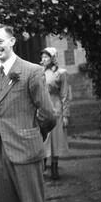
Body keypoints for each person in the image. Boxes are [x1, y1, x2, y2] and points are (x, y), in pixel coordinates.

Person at [0, 24, 56, 202]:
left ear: (12, 41)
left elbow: (48, 115)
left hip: (26, 152)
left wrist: (33, 135)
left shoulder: (32, 71)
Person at [40, 47, 70, 180]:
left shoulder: (61, 73)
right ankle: (42, 166)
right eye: (42, 57)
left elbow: (64, 95)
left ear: (52, 58)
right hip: (42, 109)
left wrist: (65, 115)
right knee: (43, 139)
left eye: (46, 57)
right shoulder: (38, 72)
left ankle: (54, 168)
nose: (43, 59)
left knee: (55, 140)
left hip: (56, 107)